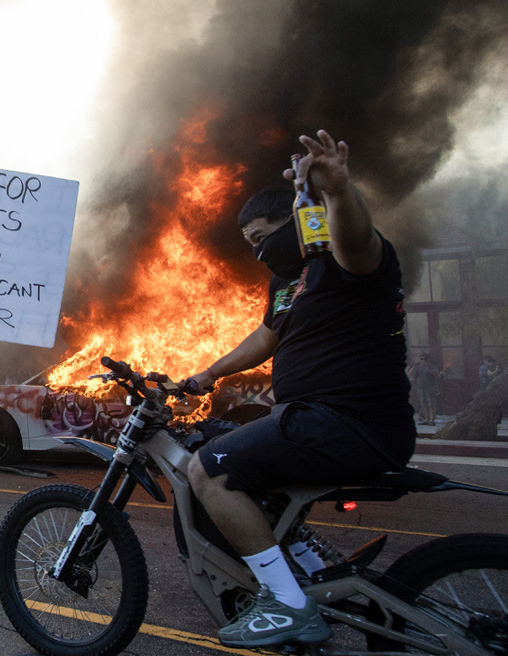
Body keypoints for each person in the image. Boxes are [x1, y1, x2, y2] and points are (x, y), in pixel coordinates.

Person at [183, 130, 415, 648]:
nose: (261, 252)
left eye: (265, 236)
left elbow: (357, 240)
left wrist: (336, 189)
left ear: (298, 216)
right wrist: (207, 374)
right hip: (311, 419)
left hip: (346, 421)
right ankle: (312, 565)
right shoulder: (290, 283)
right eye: (252, 246)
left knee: (208, 471)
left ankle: (286, 602)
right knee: (224, 442)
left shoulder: (346, 259)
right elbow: (265, 337)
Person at [407, 353, 442, 426]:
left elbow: (436, 375)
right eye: (421, 359)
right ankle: (426, 419)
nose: (423, 361)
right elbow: (410, 373)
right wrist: (415, 365)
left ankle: (432, 420)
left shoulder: (432, 366)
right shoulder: (418, 367)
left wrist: (428, 368)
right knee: (424, 404)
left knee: (431, 404)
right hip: (420, 388)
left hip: (430, 388)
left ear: (428, 359)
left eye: (425, 359)